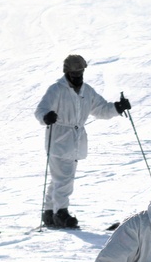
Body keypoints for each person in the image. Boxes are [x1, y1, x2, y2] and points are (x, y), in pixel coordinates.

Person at [34, 54, 131, 229]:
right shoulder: (57, 89)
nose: (77, 77)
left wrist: (117, 107)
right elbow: (40, 110)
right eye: (74, 73)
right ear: (67, 73)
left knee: (59, 177)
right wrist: (46, 117)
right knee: (64, 178)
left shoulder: (87, 91)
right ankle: (60, 213)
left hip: (75, 140)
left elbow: (101, 109)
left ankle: (49, 212)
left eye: (80, 73)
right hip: (58, 138)